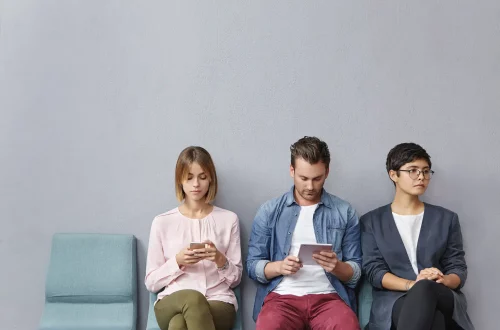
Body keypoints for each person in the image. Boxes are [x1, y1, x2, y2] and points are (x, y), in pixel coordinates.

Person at [247, 136, 362, 330]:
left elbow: (356, 272)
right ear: (292, 171)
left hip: (329, 298)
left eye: (317, 178)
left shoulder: (344, 211)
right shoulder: (269, 211)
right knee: (268, 325)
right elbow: (252, 265)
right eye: (304, 178)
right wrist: (279, 267)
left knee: (347, 325)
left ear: (327, 172)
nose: (310, 186)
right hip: (282, 298)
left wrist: (336, 266)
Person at [360, 142, 474, 330]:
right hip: (394, 300)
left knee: (426, 288)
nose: (421, 177)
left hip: (441, 293)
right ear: (393, 174)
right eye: (413, 170)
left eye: (426, 171)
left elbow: (457, 268)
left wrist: (442, 280)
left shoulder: (446, 218)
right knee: (434, 320)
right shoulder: (371, 221)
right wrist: (412, 285)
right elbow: (374, 271)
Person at [145, 146, 242, 330]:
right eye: (189, 177)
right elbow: (151, 282)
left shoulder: (229, 220)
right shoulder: (162, 222)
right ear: (180, 180)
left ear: (210, 179)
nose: (196, 184)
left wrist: (219, 259)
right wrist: (177, 261)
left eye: (202, 177)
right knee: (192, 297)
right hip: (171, 301)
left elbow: (236, 279)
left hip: (218, 300)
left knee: (178, 324)